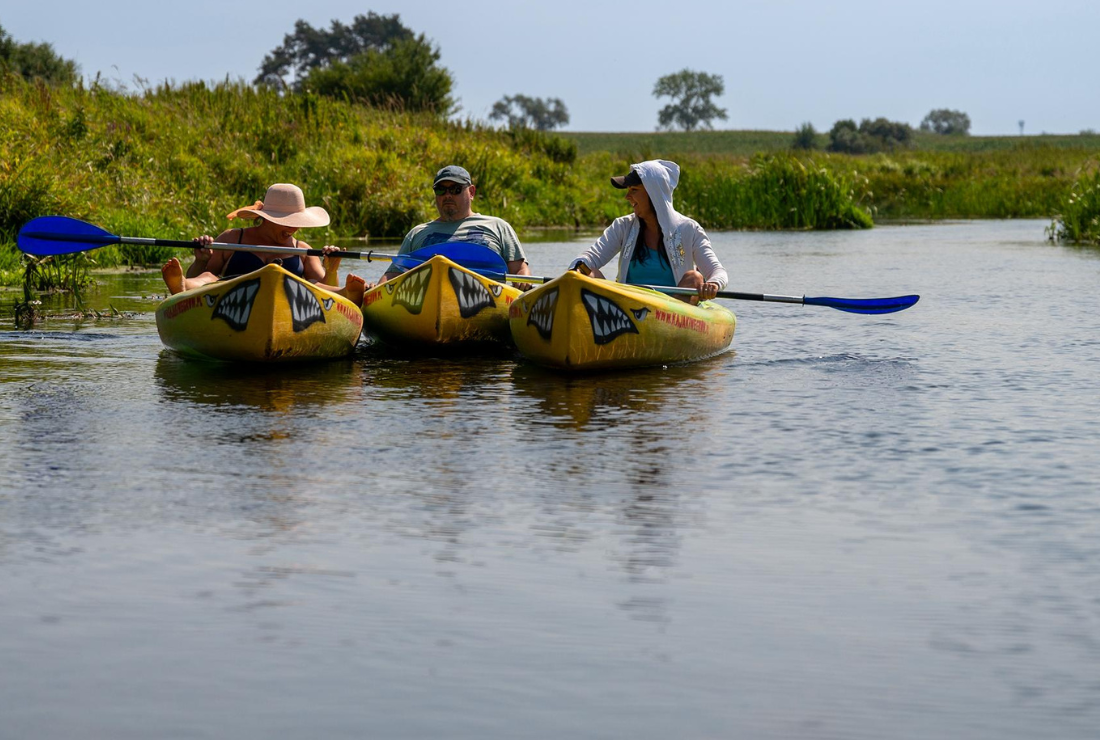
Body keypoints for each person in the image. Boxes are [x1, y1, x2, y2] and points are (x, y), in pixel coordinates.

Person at [161, 183, 367, 304]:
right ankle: (183, 285)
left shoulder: (303, 250)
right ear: (267, 218)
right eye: (286, 221)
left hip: (289, 307)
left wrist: (332, 269)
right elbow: (204, 276)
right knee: (208, 277)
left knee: (314, 284)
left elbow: (327, 297)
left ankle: (347, 294)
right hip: (233, 301)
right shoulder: (232, 239)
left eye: (296, 221)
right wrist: (201, 260)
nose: (294, 227)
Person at [569, 160, 726, 304]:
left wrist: (713, 283)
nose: (627, 197)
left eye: (634, 190)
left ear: (654, 194)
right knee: (587, 271)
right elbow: (591, 257)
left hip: (672, 313)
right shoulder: (622, 226)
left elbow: (717, 271)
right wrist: (575, 269)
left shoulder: (689, 229)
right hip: (627, 309)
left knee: (694, 278)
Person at [379, 165, 531, 283]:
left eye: (455, 189)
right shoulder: (417, 233)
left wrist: (523, 282)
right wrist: (373, 290)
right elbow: (392, 275)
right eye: (441, 190)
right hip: (428, 299)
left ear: (471, 192)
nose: (448, 195)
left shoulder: (498, 227)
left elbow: (520, 270)